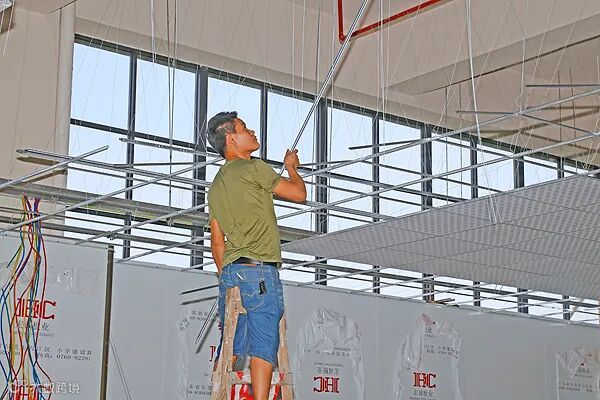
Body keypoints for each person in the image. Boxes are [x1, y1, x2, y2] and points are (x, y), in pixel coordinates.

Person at [206, 111, 306, 400]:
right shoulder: (253, 167)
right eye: (244, 128)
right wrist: (292, 168)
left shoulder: (216, 186)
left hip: (231, 272)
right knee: (264, 341)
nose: (252, 132)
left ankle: (217, 394)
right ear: (231, 138)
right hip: (259, 268)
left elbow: (217, 243)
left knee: (232, 345)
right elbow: (299, 194)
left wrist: (226, 277)